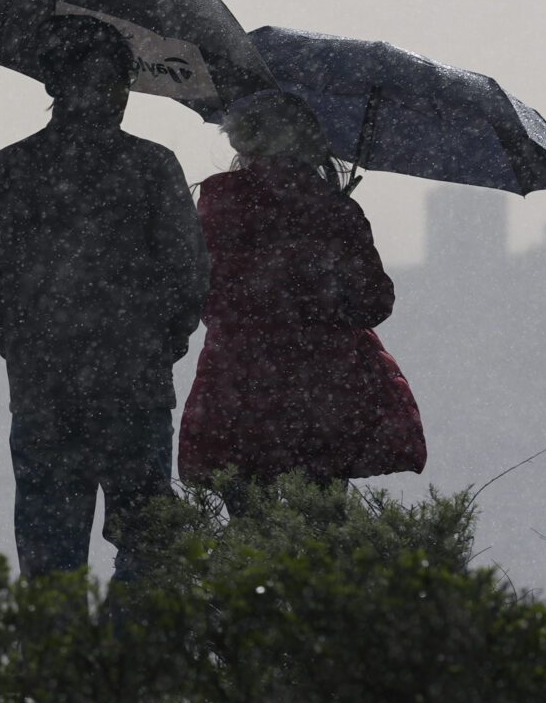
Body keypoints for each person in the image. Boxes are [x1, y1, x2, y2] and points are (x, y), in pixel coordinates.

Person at [0, 14, 207, 583]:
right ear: (59, 83)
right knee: (149, 553)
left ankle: (67, 647)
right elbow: (189, 275)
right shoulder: (151, 165)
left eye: (117, 81)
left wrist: (24, 347)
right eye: (105, 79)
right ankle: (131, 641)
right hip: (133, 389)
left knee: (52, 558)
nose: (114, 94)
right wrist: (158, 346)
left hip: (48, 391)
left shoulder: (12, 167)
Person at [178, 91, 426, 488]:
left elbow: (200, 292)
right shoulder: (333, 210)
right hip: (323, 390)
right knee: (318, 514)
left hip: (237, 383)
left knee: (248, 508)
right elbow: (373, 303)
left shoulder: (217, 202)